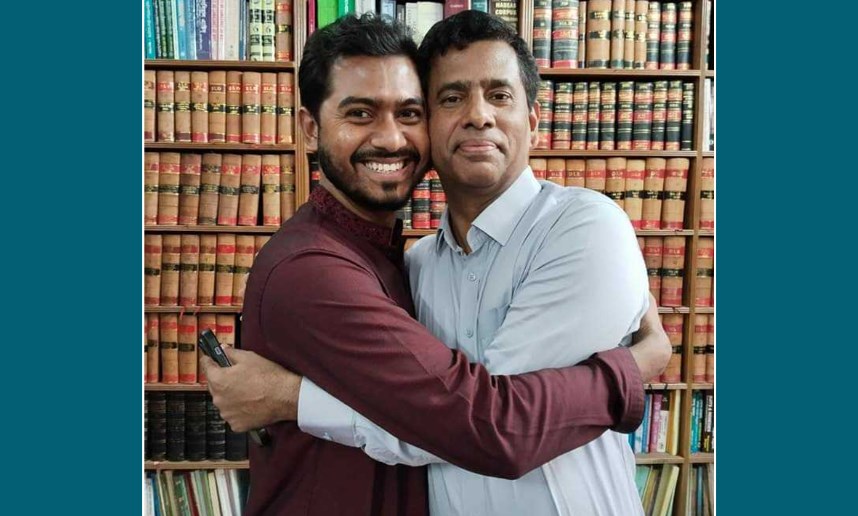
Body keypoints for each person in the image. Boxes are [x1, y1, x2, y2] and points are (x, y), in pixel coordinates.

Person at [202, 13, 669, 516]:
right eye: (451, 98)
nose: (478, 116)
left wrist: (292, 398)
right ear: (311, 128)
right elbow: (465, 423)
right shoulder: (374, 266)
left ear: (534, 121)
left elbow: (481, 427)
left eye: (499, 95)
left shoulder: (582, 227)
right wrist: (629, 371)